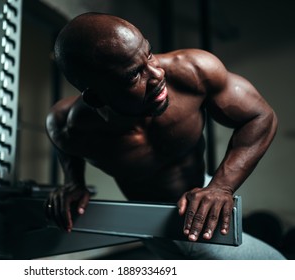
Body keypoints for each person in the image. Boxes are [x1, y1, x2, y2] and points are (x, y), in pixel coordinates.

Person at [45, 12, 285, 259]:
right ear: (96, 98)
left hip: (202, 194)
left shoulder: (193, 72)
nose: (157, 74)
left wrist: (221, 186)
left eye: (148, 53)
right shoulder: (69, 125)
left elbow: (260, 117)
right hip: (149, 224)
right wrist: (74, 182)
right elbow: (65, 145)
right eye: (134, 75)